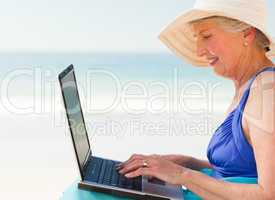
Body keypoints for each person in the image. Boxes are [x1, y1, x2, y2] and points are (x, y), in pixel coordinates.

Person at [117, 0, 275, 199]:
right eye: (197, 38)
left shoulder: (267, 92)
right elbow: (240, 170)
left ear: (246, 33)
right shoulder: (249, 87)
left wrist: (181, 175)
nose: (199, 50)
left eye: (207, 36)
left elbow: (269, 194)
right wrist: (187, 162)